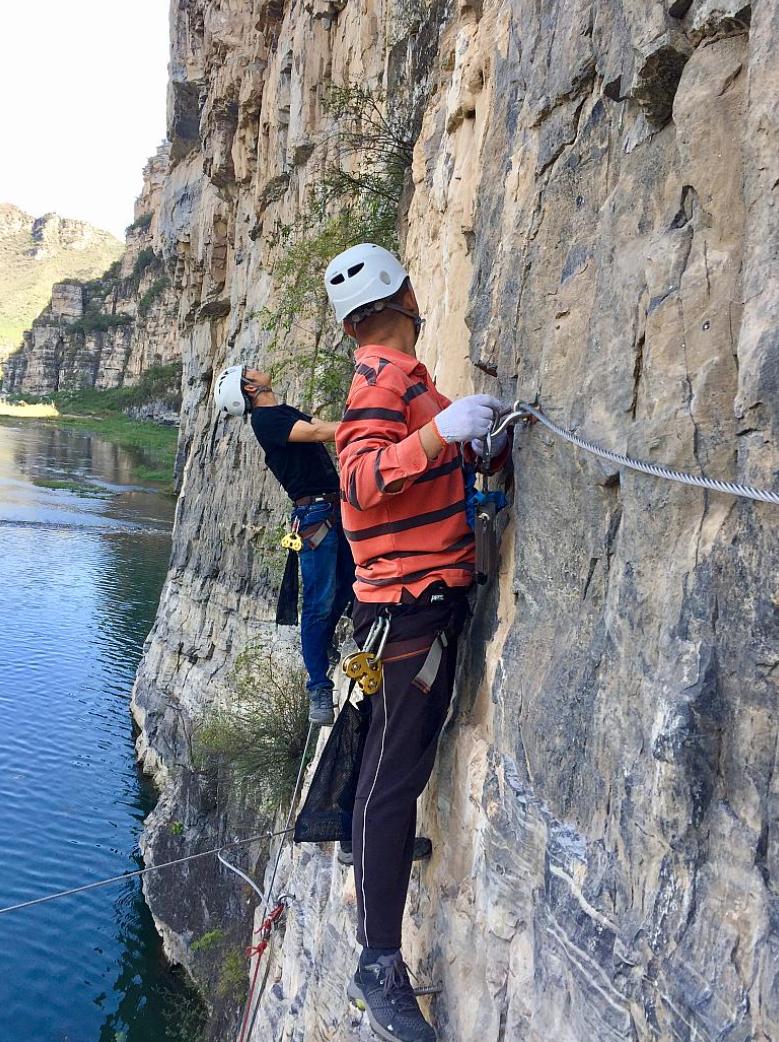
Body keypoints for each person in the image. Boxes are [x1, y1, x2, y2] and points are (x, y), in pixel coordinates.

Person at [324, 244, 511, 1042]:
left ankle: (373, 850)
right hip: (409, 610)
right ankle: (377, 962)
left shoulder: (405, 378)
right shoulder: (382, 373)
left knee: (385, 770)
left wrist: (475, 443)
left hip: (411, 606)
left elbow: (419, 468)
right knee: (389, 780)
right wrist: (439, 436)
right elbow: (362, 479)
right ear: (400, 292)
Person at [213, 365, 354, 726]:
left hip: (333, 508)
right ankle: (319, 688)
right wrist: (370, 425)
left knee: (350, 583)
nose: (258, 369)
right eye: (250, 371)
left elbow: (318, 424)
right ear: (249, 388)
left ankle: (324, 644)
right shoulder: (266, 422)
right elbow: (318, 431)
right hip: (316, 516)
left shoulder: (281, 412)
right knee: (319, 602)